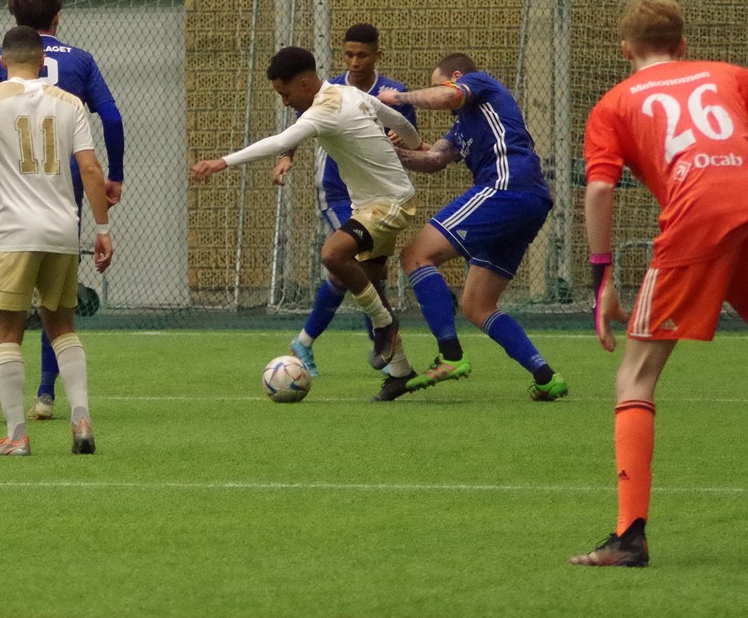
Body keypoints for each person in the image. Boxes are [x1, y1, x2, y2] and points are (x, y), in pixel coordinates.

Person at [569, 0, 748, 567]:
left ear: (626, 51)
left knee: (635, 376)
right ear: (684, 45)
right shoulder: (732, 77)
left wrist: (603, 281)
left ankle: (629, 537)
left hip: (695, 221)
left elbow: (599, 190)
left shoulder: (615, 103)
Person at [0, 25, 113, 456]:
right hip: (65, 229)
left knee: (7, 329)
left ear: (2, 61)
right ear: (43, 60)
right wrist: (102, 230)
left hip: (15, 230)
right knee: (62, 325)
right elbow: (90, 169)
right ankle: (81, 419)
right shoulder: (70, 103)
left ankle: (16, 435)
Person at [192, 46, 422, 389]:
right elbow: (399, 120)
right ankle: (400, 372)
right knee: (371, 281)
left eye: (284, 94)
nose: (284, 102)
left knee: (333, 255)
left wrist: (220, 162)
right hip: (375, 203)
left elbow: (278, 141)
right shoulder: (348, 93)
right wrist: (416, 144)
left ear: (303, 83)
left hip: (388, 204)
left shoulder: (323, 110)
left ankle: (384, 326)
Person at [0, 0, 124, 422]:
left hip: (19, 189)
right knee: (56, 302)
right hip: (68, 184)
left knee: (2, 295)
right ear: (57, 19)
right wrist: (115, 175)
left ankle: (4, 372)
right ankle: (45, 394)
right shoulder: (80, 59)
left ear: (14, 24)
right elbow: (111, 116)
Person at [374, 53, 568, 403]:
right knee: (478, 306)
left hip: (506, 187)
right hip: (527, 200)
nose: (439, 96)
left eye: (438, 84)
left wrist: (398, 98)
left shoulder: (481, 84)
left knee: (416, 255)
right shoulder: (463, 125)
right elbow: (434, 160)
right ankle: (545, 376)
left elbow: (447, 95)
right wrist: (390, 153)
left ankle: (450, 355)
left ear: (458, 77)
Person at [271, 24, 416, 377]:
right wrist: (287, 155)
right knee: (342, 262)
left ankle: (387, 360)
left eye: (361, 54)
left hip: (375, 194)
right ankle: (377, 345)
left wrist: (408, 140)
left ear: (377, 55)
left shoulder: (394, 92)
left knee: (363, 273)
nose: (354, 61)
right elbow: (300, 121)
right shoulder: (331, 88)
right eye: (348, 54)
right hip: (337, 192)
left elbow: (406, 134)